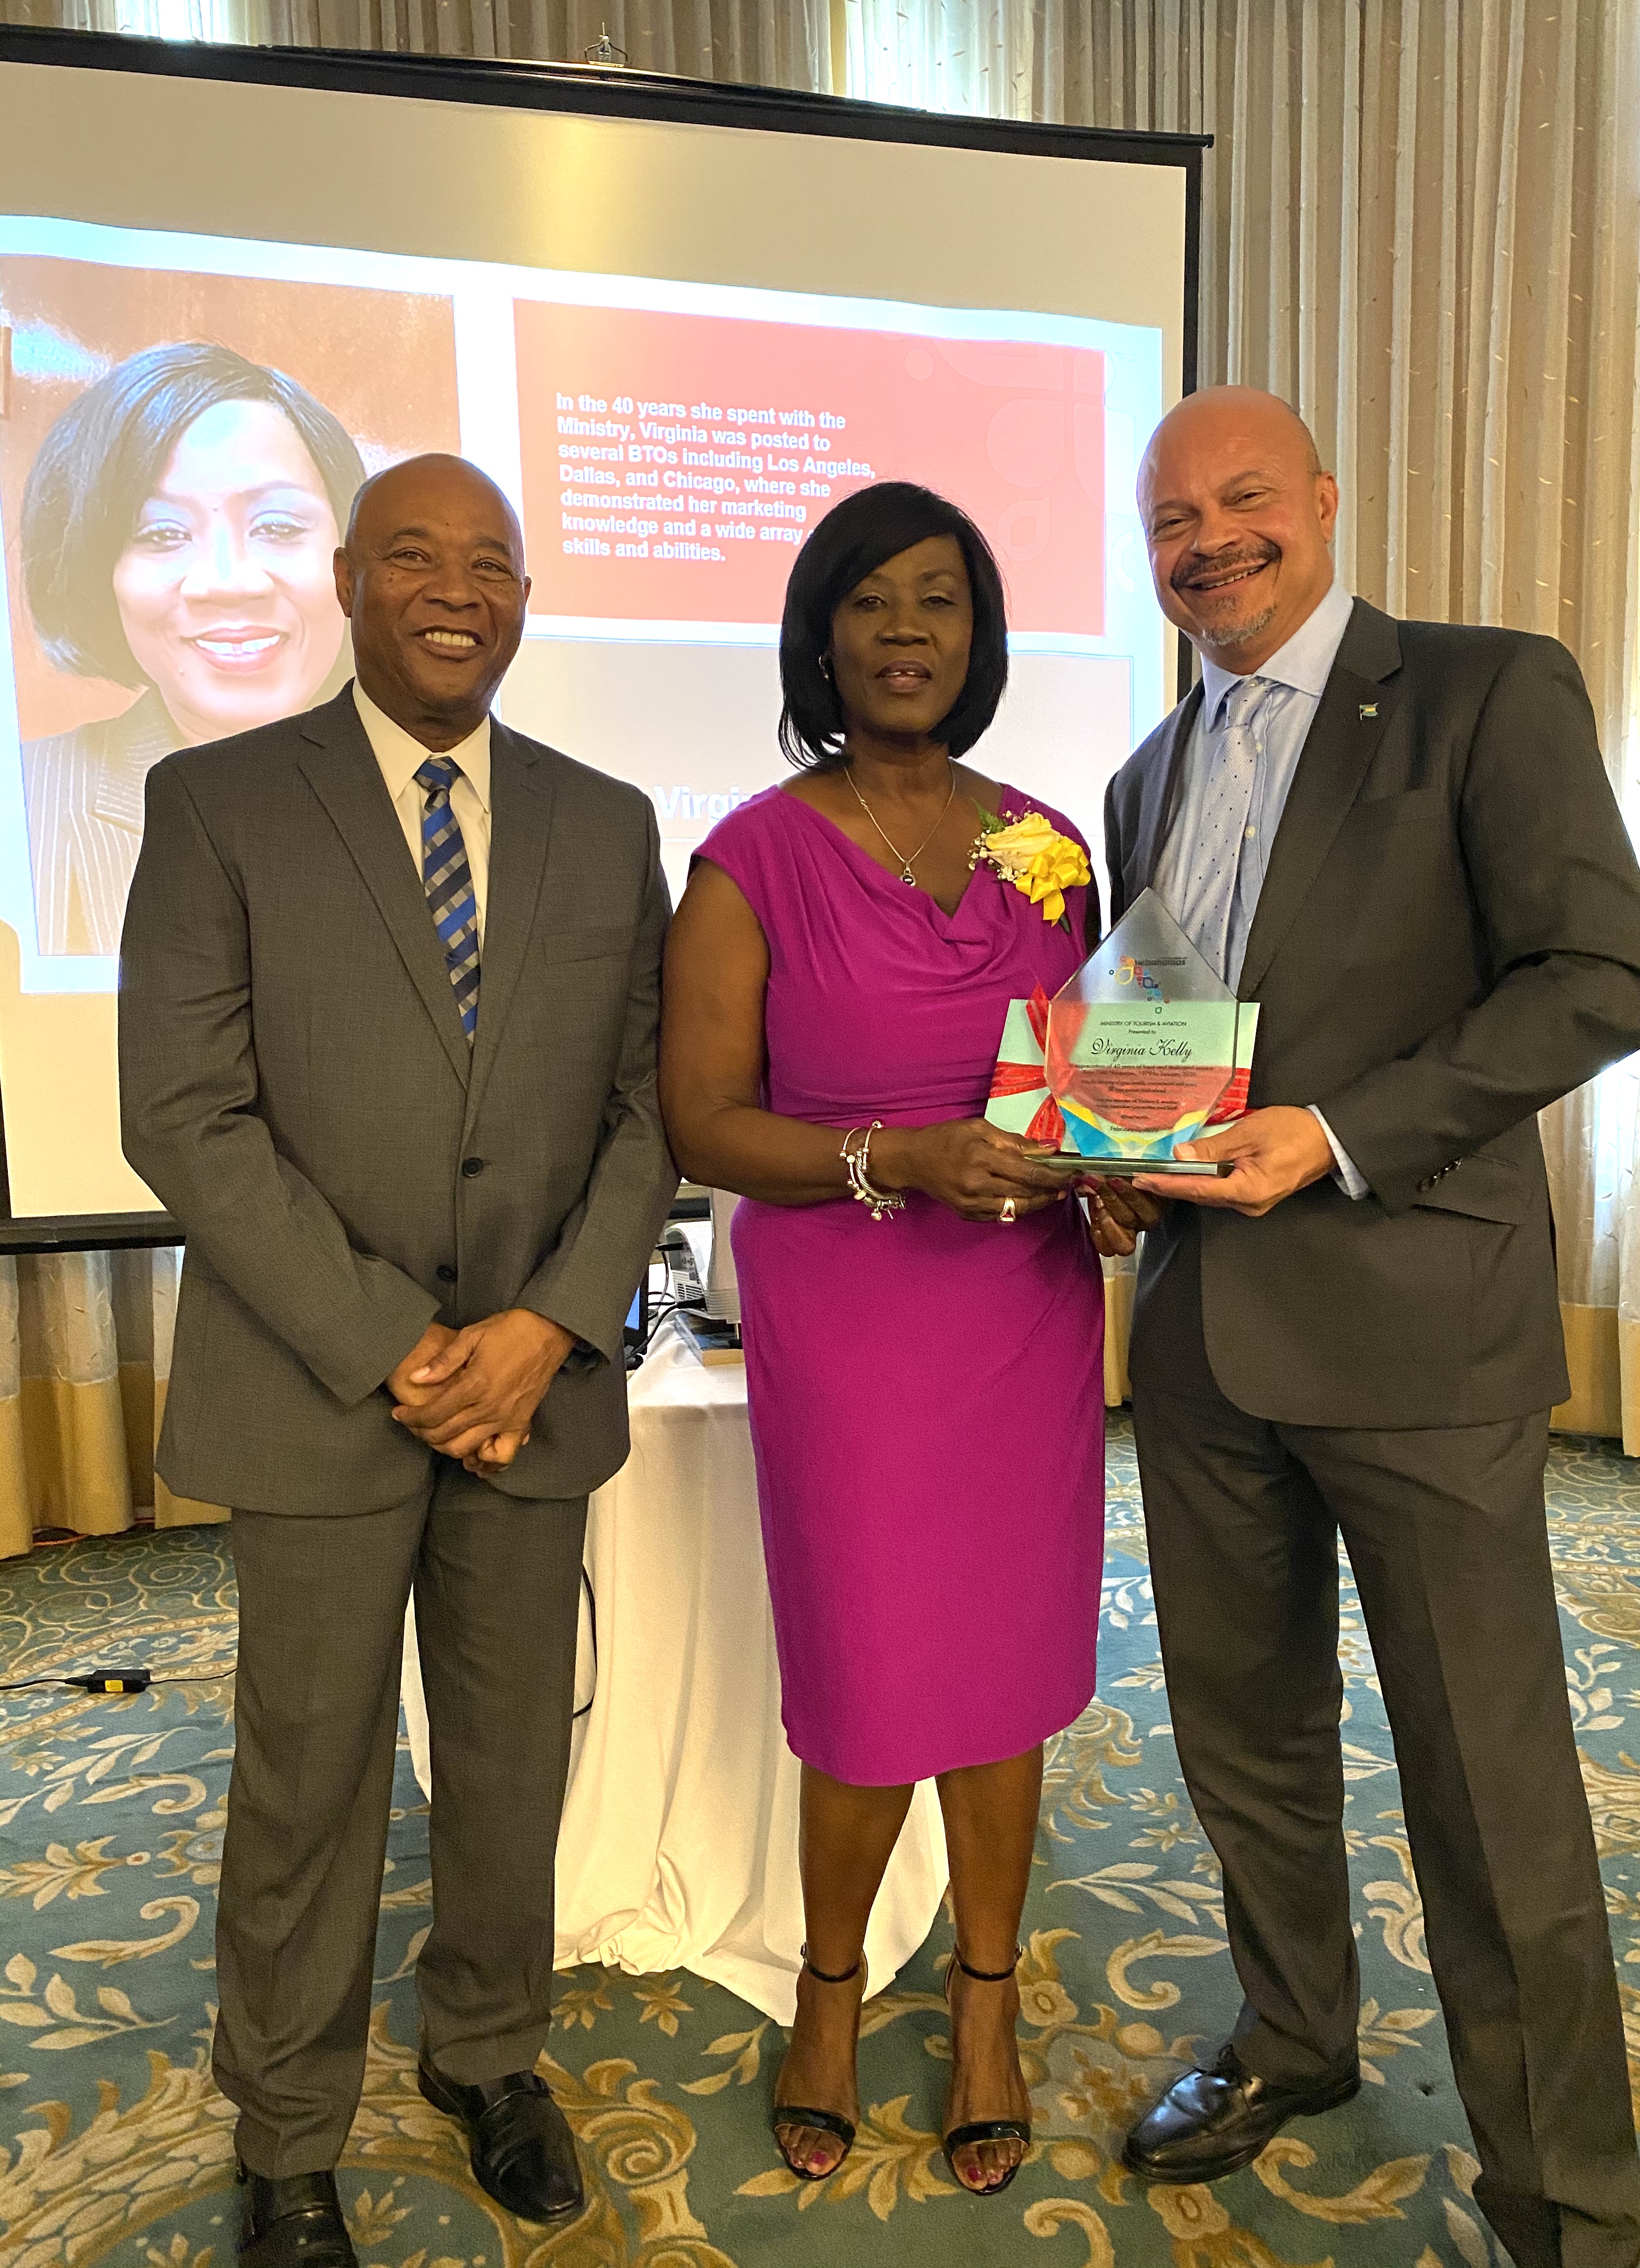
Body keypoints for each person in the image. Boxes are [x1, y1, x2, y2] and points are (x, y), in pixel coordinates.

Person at [1087, 387, 1640, 2268]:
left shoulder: (1486, 695)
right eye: (1172, 517)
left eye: (1242, 498)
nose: (1207, 540)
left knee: (1488, 1787)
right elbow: (1164, 1053)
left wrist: (1335, 1136)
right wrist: (1115, 1160)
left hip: (1418, 1338)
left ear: (1323, 504)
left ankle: (1564, 2201)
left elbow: (1605, 975)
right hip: (1200, 1346)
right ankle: (1291, 2038)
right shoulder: (1141, 780)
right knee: (1242, 1741)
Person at [118, 453, 676, 2266]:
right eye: (418, 558)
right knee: (311, 1772)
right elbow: (184, 1117)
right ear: (349, 582)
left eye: (494, 565)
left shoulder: (608, 822)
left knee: (513, 1752)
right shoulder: (215, 804)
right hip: (315, 1386)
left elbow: (644, 1109)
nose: (459, 590)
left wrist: (537, 1331)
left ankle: (487, 2051)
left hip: (537, 1386)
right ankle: (285, 2130)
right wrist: (397, 1345)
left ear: (524, 600)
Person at [660, 480, 1105, 2199]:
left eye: (943, 600)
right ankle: (829, 1993)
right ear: (823, 638)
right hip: (849, 1320)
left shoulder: (1047, 844)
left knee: (1005, 1681)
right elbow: (701, 1121)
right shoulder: (752, 856)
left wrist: (1120, 1179)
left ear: (980, 638)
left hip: (1022, 1311)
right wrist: (891, 1159)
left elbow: (1083, 1088)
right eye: (874, 601)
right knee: (862, 1686)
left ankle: (987, 2001)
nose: (910, 631)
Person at [21, 341, 363, 954]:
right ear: (101, 574)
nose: (228, 582)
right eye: (162, 533)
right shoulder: (18, 802)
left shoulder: (446, 805)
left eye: (279, 527)